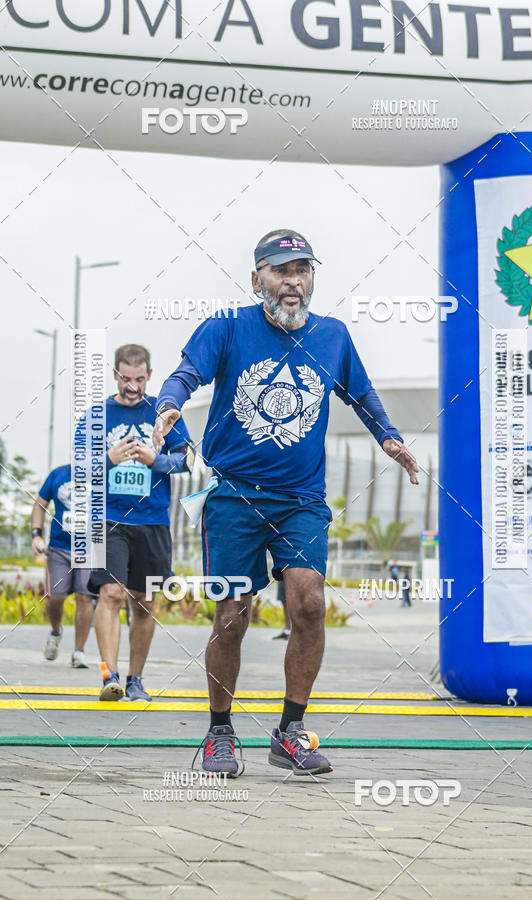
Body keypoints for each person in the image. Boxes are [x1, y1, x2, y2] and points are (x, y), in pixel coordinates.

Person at [153, 229, 419, 777]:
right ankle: (220, 733)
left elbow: (362, 394)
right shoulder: (227, 327)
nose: (293, 281)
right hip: (232, 497)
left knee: (310, 603)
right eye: (280, 270)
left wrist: (389, 437)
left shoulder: (333, 336)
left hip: (302, 500)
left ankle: (290, 733)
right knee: (232, 614)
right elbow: (185, 374)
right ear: (258, 280)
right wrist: (169, 406)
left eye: (302, 270)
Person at [85, 344, 192, 701]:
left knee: (144, 602)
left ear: (149, 376)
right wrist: (109, 459)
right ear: (115, 374)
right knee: (110, 592)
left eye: (140, 379)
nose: (132, 386)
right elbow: (79, 468)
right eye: (126, 379)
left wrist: (155, 460)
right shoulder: (96, 415)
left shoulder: (162, 413)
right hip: (108, 519)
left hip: (153, 521)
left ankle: (135, 680)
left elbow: (187, 459)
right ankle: (109, 677)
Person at [31, 464, 95, 668]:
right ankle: (56, 631)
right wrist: (36, 534)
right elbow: (40, 504)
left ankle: (79, 651)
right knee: (55, 597)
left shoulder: (102, 473)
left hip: (90, 549)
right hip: (59, 548)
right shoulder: (58, 474)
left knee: (84, 597)